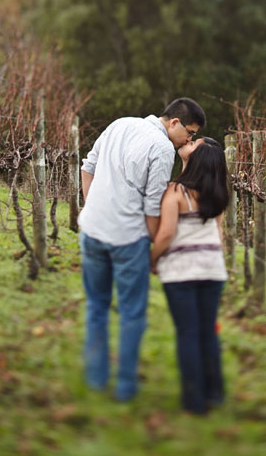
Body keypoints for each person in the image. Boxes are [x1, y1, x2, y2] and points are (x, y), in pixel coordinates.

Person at [79, 97, 206, 401]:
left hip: (92, 230)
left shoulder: (119, 123)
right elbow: (152, 208)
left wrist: (92, 206)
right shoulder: (162, 149)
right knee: (132, 313)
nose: (189, 139)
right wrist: (154, 247)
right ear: (174, 122)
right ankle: (125, 386)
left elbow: (88, 167)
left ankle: (95, 380)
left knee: (97, 305)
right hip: (128, 239)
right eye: (189, 132)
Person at [151, 137, 229, 414]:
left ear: (198, 160)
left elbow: (166, 234)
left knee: (188, 333)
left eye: (195, 144)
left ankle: (194, 400)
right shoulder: (217, 193)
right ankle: (215, 392)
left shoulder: (175, 192)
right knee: (208, 332)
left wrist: (152, 259)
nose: (190, 142)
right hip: (212, 269)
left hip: (181, 272)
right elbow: (218, 235)